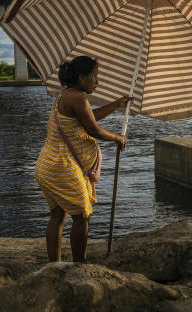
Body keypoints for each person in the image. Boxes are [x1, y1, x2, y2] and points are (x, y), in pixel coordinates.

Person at [36, 56, 130, 262]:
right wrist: (117, 137)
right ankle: (80, 266)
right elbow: (92, 129)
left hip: (48, 165)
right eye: (94, 76)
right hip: (63, 168)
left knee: (58, 215)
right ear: (81, 77)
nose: (97, 81)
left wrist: (115, 105)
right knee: (82, 217)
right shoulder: (78, 97)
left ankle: (55, 265)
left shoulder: (68, 94)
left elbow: (89, 117)